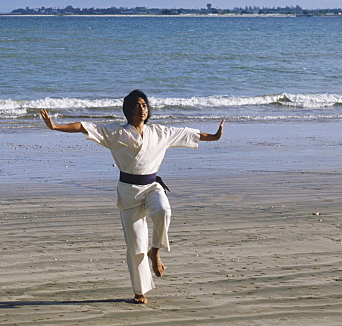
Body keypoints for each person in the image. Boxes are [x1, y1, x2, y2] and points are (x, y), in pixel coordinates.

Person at [39, 90, 224, 304]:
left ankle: (155, 252)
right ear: (128, 109)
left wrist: (214, 136)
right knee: (135, 246)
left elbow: (188, 134)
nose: (142, 108)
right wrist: (55, 126)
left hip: (153, 186)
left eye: (144, 104)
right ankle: (139, 291)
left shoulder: (159, 132)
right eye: (137, 105)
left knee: (163, 211)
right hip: (128, 191)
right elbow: (83, 126)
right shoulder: (116, 132)